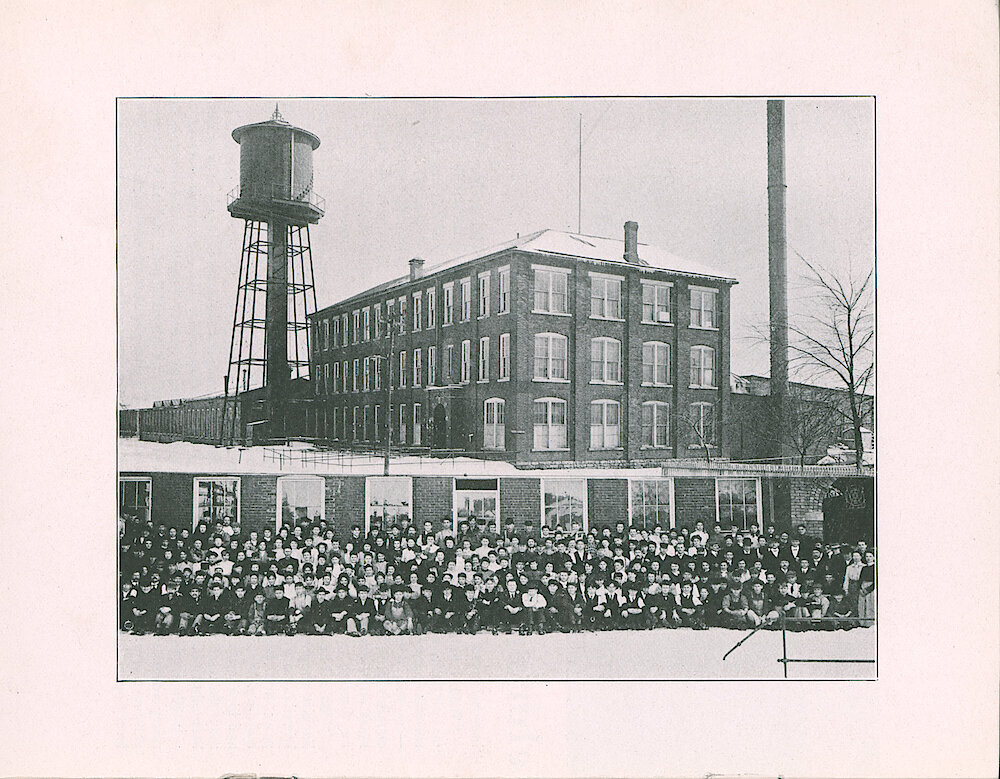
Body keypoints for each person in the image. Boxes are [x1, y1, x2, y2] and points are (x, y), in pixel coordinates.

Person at [857, 551, 876, 625]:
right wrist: (861, 589)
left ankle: (870, 623)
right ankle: (862, 623)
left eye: (870, 556)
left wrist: (868, 590)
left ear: (874, 557)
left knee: (870, 605)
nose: (868, 558)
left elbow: (876, 580)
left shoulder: (875, 567)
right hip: (863, 587)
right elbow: (860, 579)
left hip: (871, 589)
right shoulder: (864, 568)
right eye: (867, 556)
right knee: (862, 605)